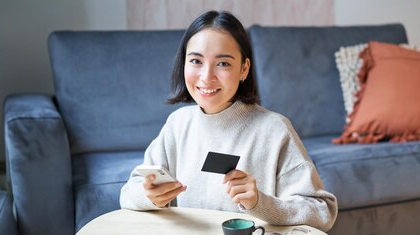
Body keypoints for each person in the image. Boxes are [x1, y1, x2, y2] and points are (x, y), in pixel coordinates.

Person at [119, 10, 337, 231]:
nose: (206, 77)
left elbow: (322, 211)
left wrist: (260, 203)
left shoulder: (274, 130)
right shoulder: (178, 124)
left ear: (244, 69)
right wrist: (150, 196)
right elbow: (129, 193)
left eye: (223, 64)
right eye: (195, 60)